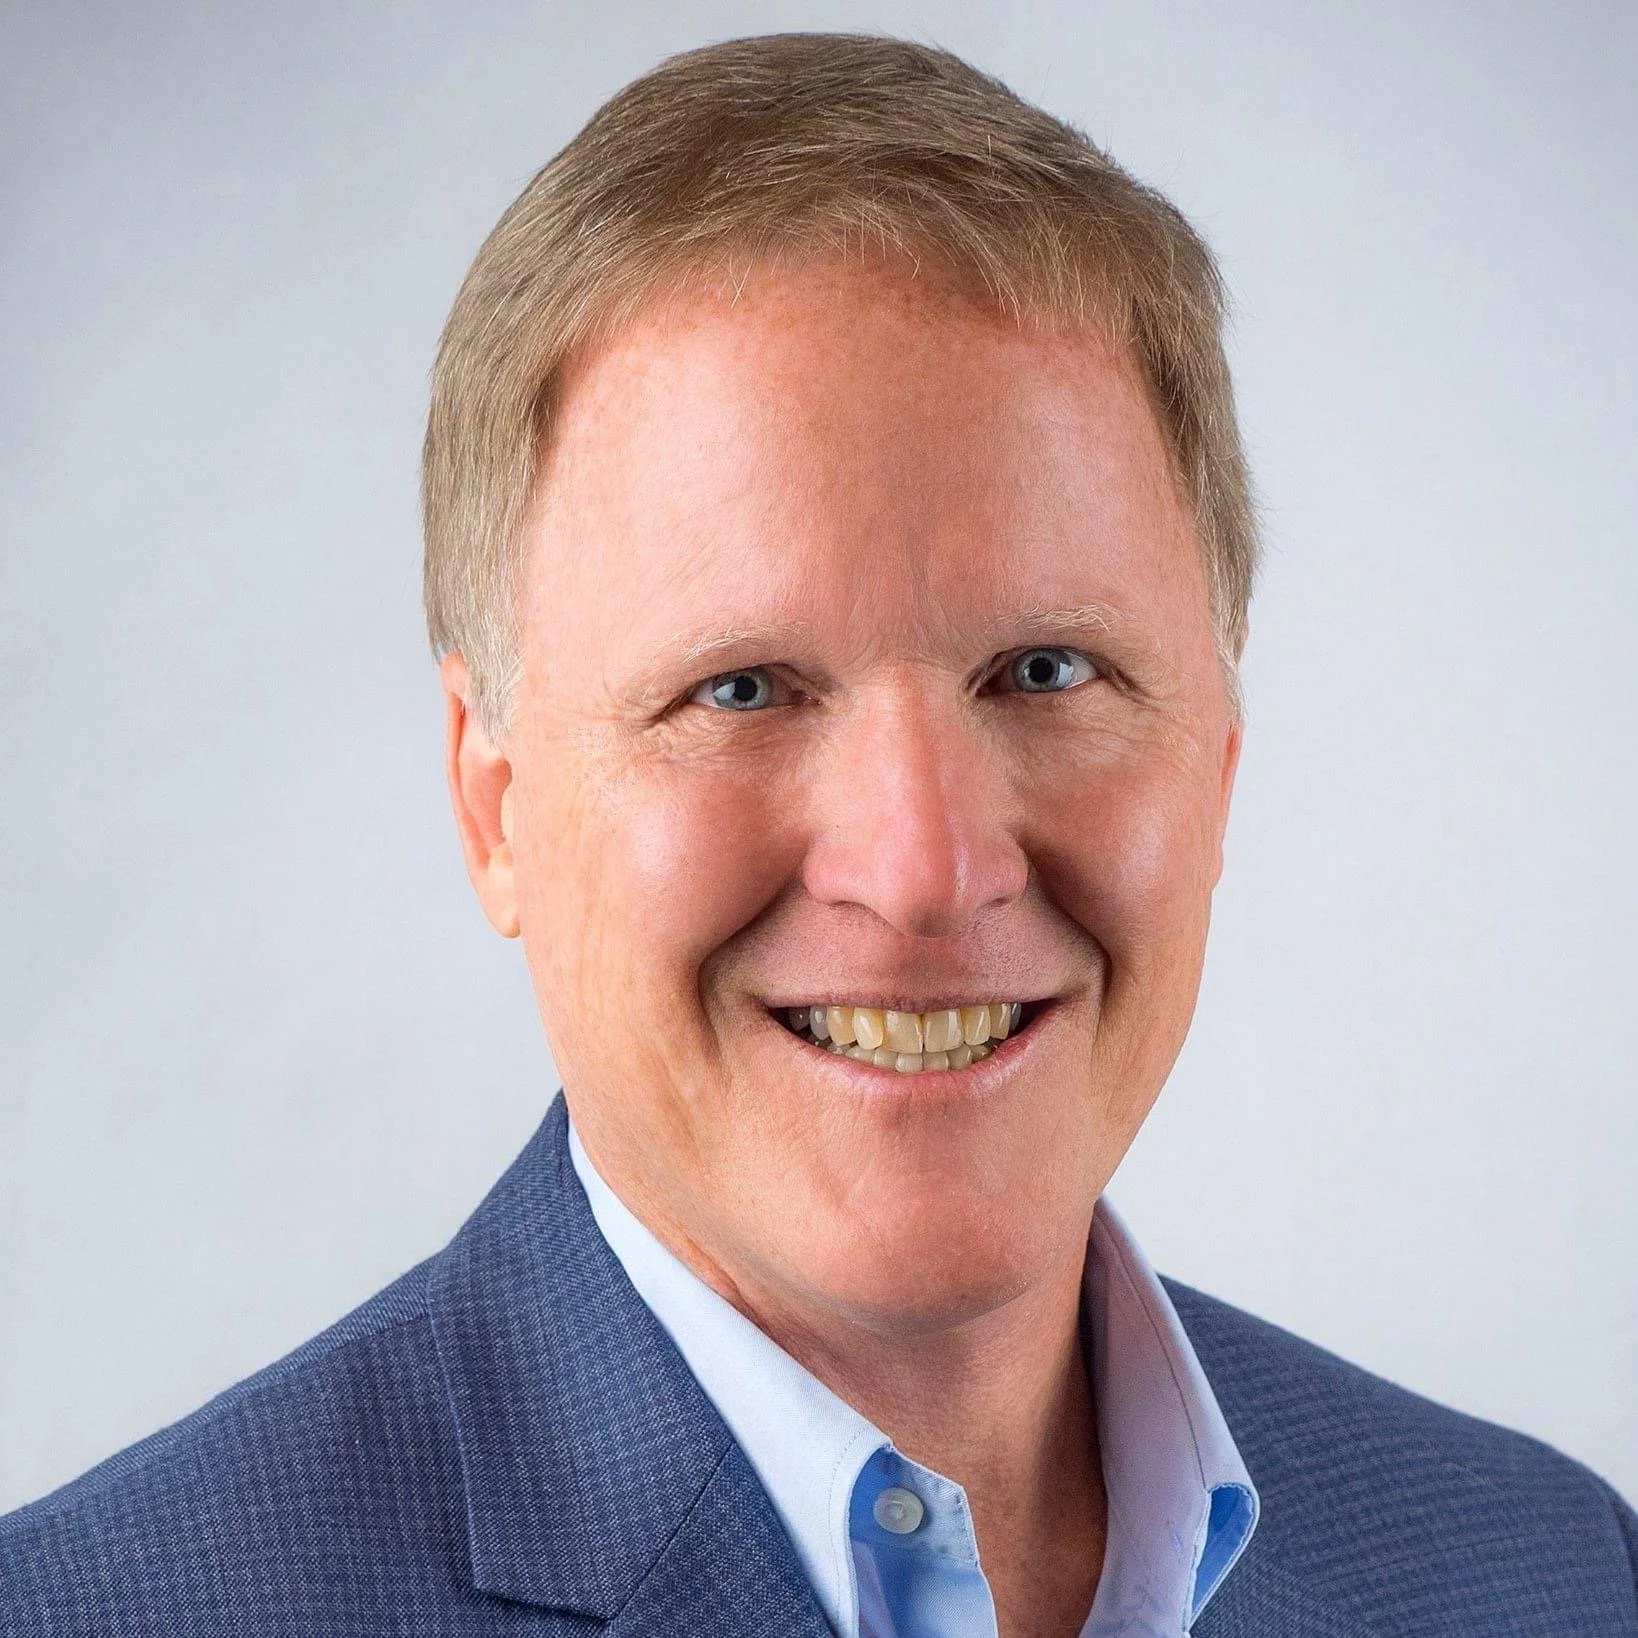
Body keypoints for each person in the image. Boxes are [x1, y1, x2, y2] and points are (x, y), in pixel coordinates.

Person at [1, 31, 1633, 1638]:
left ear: (1214, 756)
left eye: (1046, 668)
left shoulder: (1546, 1570)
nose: (924, 865)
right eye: (743, 688)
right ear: (493, 804)